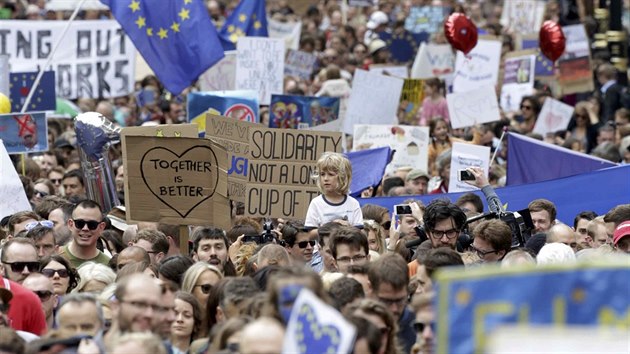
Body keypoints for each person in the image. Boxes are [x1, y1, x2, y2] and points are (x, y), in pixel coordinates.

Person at [368, 253, 415, 354]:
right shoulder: (358, 327)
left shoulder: (421, 328)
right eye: (386, 301)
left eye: (400, 300)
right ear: (370, 289)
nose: (394, 309)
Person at [104, 273, 162, 350]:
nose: (149, 314)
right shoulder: (90, 349)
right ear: (116, 306)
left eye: (155, 307)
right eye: (140, 304)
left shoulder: (168, 350)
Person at [305, 152, 363, 227]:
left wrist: (347, 227)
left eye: (331, 174)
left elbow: (359, 233)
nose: (325, 179)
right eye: (322, 174)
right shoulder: (316, 203)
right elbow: (309, 233)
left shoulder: (353, 204)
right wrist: (328, 228)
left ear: (342, 177)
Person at [59, 200, 110, 268]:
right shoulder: (56, 256)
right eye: (79, 223)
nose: (85, 228)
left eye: (92, 224)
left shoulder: (108, 265)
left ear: (101, 227)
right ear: (70, 224)